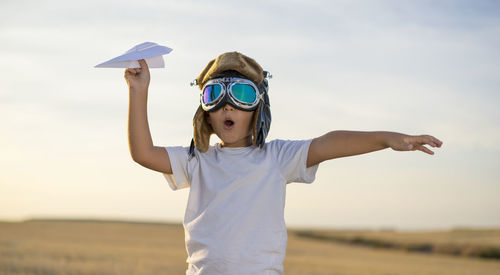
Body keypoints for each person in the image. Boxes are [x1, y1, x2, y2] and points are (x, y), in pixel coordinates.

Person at [124, 52, 442, 275]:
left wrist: (387, 138)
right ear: (205, 111)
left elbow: (328, 143)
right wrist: (139, 91)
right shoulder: (197, 159)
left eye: (242, 93)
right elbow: (143, 152)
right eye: (214, 96)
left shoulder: (276, 158)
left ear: (259, 107)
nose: (226, 106)